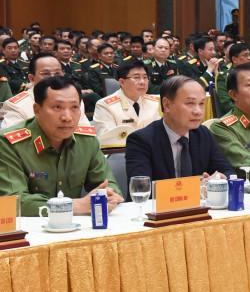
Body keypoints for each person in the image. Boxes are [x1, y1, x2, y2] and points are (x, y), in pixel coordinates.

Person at [0, 77, 124, 217]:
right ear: (37, 110)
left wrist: (108, 194)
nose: (67, 117)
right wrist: (75, 205)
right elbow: (13, 201)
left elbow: (109, 186)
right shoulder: (9, 143)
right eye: (57, 107)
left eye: (74, 107)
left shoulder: (87, 141)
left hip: (77, 229)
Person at [125, 76, 234, 182]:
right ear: (167, 105)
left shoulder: (203, 133)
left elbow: (227, 172)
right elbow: (140, 188)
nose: (198, 111)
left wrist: (217, 178)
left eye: (201, 103)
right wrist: (196, 188)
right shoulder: (141, 140)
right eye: (190, 103)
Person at [1, 53, 91, 129]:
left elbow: (84, 135)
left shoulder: (74, 101)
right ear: (32, 78)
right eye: (46, 74)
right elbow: (12, 143)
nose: (53, 78)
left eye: (57, 73)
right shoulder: (16, 106)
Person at [93, 59, 161, 136]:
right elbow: (108, 141)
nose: (142, 82)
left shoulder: (154, 102)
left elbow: (159, 134)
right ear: (122, 82)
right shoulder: (105, 106)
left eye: (145, 77)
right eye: (136, 77)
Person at [215, 43, 250, 113]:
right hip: (236, 115)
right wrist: (247, 112)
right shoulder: (224, 77)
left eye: (249, 55)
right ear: (234, 59)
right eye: (245, 55)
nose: (249, 58)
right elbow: (227, 104)